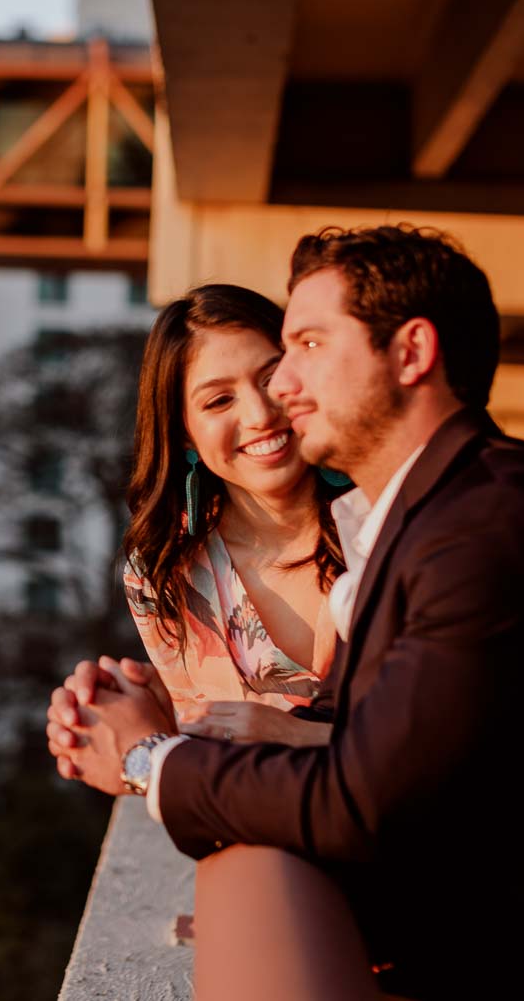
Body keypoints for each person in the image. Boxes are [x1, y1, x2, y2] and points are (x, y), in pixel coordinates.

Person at [47, 225, 524, 998]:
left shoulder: (487, 526)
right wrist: (140, 719)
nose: (281, 389)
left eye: (304, 346)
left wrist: (149, 759)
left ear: (410, 353)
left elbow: (360, 798)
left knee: (253, 879)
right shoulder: (425, 516)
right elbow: (349, 726)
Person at [78, 283, 348, 755]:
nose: (261, 414)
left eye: (271, 377)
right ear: (184, 433)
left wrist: (301, 735)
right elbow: (203, 753)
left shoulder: (387, 523)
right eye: (219, 401)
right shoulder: (163, 575)